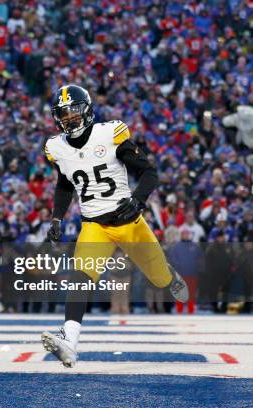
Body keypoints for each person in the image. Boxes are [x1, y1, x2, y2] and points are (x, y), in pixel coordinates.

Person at [41, 85, 189, 367]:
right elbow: (63, 185)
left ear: (86, 110)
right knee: (80, 276)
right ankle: (70, 342)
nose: (69, 118)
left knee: (158, 279)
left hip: (128, 220)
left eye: (73, 112)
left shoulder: (109, 133)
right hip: (94, 224)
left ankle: (168, 275)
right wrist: (57, 217)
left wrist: (138, 200)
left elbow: (148, 172)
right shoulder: (56, 147)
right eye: (63, 114)